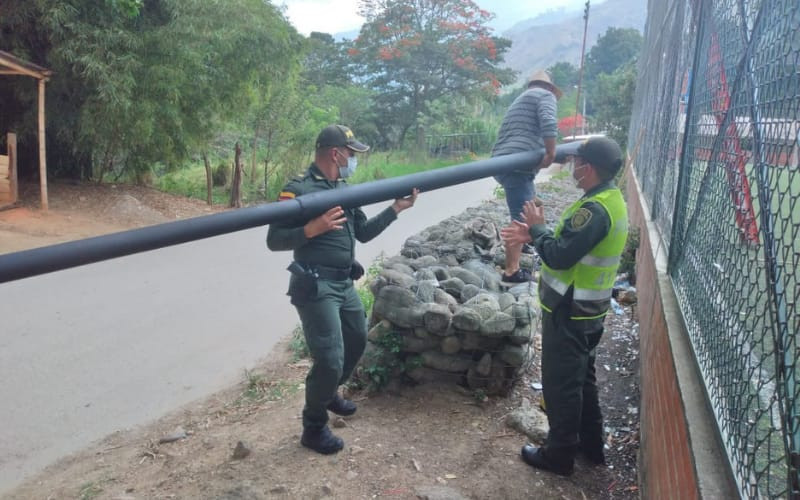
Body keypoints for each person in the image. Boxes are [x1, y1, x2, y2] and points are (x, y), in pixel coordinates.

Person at [266, 124, 418, 455]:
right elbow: (274, 239)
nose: (353, 160)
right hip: (316, 285)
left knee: (357, 340)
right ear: (335, 153)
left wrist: (396, 209)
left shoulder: (344, 189)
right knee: (330, 358)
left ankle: (329, 390)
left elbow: (361, 233)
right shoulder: (299, 189)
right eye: (350, 154)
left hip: (344, 282)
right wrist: (310, 229)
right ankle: (314, 426)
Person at [500, 136, 628, 475]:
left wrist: (537, 227)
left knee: (561, 385)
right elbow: (569, 246)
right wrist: (537, 235)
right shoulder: (610, 199)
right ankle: (591, 445)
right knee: (582, 380)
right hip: (589, 310)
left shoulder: (594, 210)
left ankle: (558, 456)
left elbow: (558, 254)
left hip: (570, 311)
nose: (573, 166)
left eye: (578, 162)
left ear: (590, 168)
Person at [492, 69, 562, 285]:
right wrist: (551, 153)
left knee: (533, 205)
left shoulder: (522, 99)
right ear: (550, 87)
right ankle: (511, 271)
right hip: (517, 165)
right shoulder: (545, 96)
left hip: (504, 161)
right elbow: (549, 122)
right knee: (521, 217)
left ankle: (529, 241)